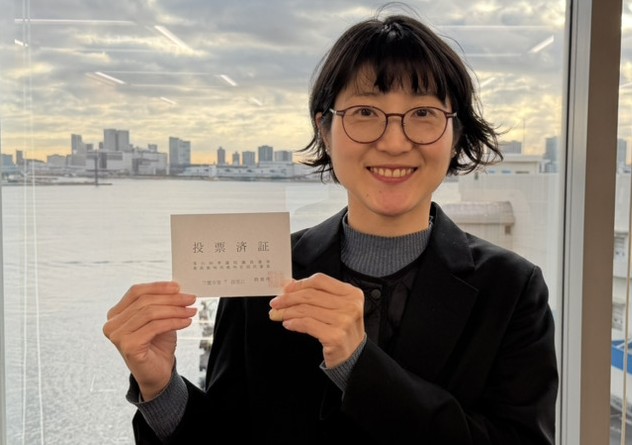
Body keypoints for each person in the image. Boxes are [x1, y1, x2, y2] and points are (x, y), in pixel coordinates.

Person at [103, 8, 558, 445]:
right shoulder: (265, 274)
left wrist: (359, 367)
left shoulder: (511, 288)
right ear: (325, 130)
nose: (394, 142)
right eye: (365, 112)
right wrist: (160, 388)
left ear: (455, 135)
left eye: (423, 113)